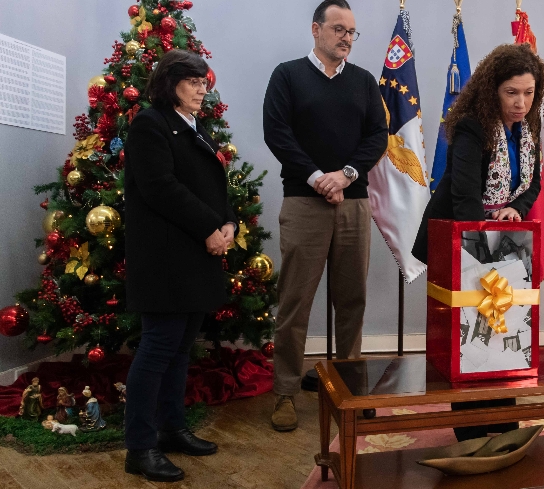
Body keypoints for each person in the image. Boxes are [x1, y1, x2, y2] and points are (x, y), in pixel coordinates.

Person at [411, 43, 544, 441]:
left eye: (528, 93)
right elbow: (465, 196)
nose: (521, 103)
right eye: (512, 93)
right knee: (470, 337)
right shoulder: (473, 126)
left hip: (508, 244)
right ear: (493, 91)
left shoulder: (529, 128)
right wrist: (484, 250)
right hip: (462, 242)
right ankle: (470, 433)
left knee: (505, 333)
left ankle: (504, 425)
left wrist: (516, 210)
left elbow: (532, 184)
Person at [263, 0, 387, 432]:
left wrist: (346, 174)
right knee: (295, 301)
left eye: (352, 32)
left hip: (353, 203)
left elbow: (377, 135)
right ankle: (285, 392)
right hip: (304, 201)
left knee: (352, 300)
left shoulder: (364, 81)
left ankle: (348, 388)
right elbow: (277, 132)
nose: (347, 38)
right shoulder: (288, 75)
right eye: (338, 29)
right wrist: (318, 177)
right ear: (316, 30)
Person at [124, 48, 237, 481]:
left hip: (196, 254)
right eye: (193, 82)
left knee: (179, 349)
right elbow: (159, 187)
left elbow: (214, 182)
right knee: (157, 350)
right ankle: (139, 446)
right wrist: (210, 225)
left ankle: (171, 428)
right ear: (170, 83)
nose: (202, 89)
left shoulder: (195, 126)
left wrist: (227, 222)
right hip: (166, 258)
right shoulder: (150, 124)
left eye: (204, 82)